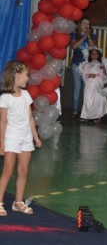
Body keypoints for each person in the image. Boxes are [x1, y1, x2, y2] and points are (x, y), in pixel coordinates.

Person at [0, 60, 42, 216]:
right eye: (26, 75)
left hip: (25, 138)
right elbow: (3, 121)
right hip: (11, 137)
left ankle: (18, 202)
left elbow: (30, 118)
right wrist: (2, 142)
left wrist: (35, 137)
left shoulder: (26, 94)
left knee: (23, 171)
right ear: (17, 76)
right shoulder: (5, 98)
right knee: (8, 171)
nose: (28, 78)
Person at [70, 17, 96, 119]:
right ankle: (75, 110)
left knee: (86, 89)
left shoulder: (92, 36)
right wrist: (83, 37)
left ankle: (85, 112)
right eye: (84, 23)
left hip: (88, 66)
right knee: (77, 87)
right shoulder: (74, 35)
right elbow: (74, 46)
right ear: (80, 25)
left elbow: (94, 48)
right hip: (76, 64)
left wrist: (88, 37)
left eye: (88, 24)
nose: (86, 26)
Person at [78, 47, 107, 123]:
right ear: (90, 55)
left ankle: (98, 116)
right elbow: (83, 75)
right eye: (92, 54)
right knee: (87, 99)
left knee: (97, 99)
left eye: (96, 54)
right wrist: (88, 75)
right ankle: (86, 115)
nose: (94, 55)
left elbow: (105, 77)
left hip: (97, 84)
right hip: (89, 85)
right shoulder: (86, 65)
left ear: (98, 55)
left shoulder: (101, 65)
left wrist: (104, 70)